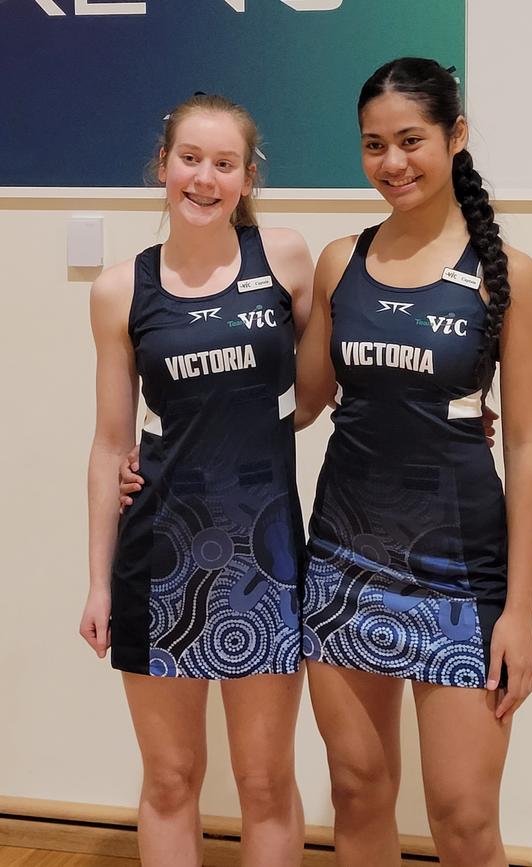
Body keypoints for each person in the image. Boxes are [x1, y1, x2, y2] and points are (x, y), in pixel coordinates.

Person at [295, 58, 532, 867]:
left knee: (464, 819)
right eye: (374, 145)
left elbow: (530, 449)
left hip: (463, 575)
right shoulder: (341, 261)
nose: (392, 163)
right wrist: (157, 442)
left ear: (455, 136)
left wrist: (519, 612)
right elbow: (297, 404)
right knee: (360, 791)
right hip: (343, 560)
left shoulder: (509, 276)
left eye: (411, 140)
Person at [79, 93, 314, 867]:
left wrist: (451, 412)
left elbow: (324, 385)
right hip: (160, 561)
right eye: (190, 159)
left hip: (268, 562)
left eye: (224, 163)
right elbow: (112, 441)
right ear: (162, 164)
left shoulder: (285, 258)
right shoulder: (120, 289)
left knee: (266, 782)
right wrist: (98, 583)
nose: (204, 178)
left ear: (249, 176)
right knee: (173, 778)